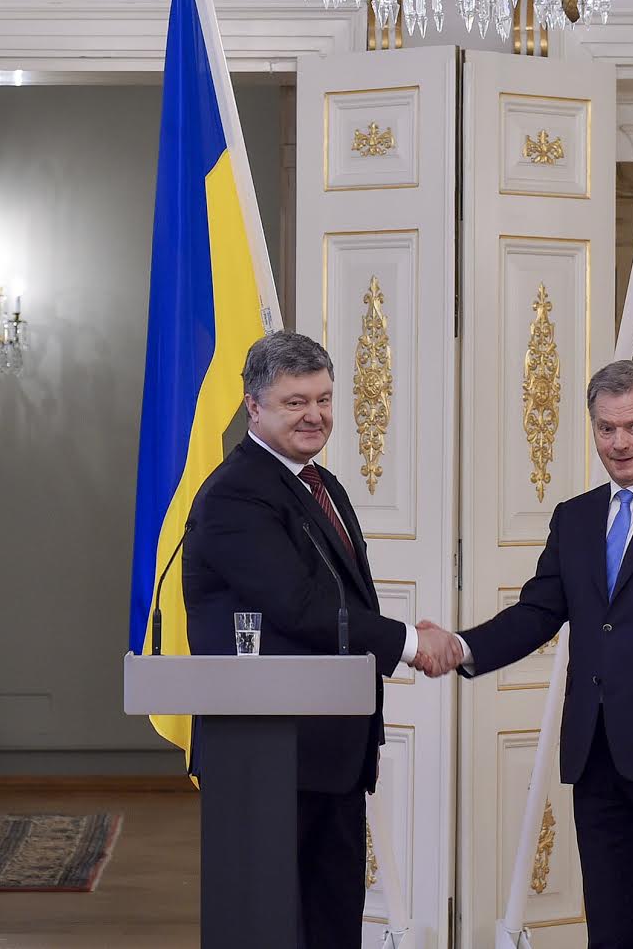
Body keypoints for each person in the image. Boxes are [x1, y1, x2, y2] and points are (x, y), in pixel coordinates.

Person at [418, 359, 633, 949]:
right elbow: (537, 612)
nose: (619, 443)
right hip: (596, 753)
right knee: (611, 923)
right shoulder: (574, 518)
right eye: (606, 428)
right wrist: (462, 646)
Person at [183, 331, 462, 946]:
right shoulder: (235, 494)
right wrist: (409, 644)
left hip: (327, 753)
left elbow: (341, 603)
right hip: (266, 754)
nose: (315, 415)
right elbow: (300, 606)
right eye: (295, 402)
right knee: (270, 930)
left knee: (331, 924)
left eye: (324, 399)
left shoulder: (321, 484)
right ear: (254, 406)